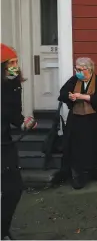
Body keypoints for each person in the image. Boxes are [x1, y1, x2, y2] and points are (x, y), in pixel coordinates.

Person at [56, 57, 97, 190]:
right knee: (77, 147)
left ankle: (92, 170)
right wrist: (70, 96)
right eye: (77, 69)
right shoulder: (74, 80)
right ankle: (78, 175)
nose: (78, 72)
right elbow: (63, 93)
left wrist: (84, 97)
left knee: (93, 145)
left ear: (90, 69)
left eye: (81, 70)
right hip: (76, 119)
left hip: (94, 120)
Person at [1, 44, 37, 240]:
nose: (15, 66)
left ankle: (2, 229)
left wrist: (24, 123)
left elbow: (14, 115)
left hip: (5, 144)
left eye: (16, 62)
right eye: (11, 63)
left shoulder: (14, 85)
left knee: (14, 190)